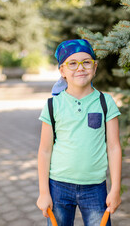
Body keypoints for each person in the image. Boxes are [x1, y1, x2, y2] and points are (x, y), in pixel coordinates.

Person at [37, 39, 122, 226]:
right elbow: (44, 151)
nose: (80, 68)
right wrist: (44, 193)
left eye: (86, 62)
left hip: (95, 188)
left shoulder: (105, 102)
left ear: (95, 66)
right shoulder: (53, 105)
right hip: (58, 187)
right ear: (62, 71)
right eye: (72, 63)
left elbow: (114, 147)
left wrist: (115, 189)